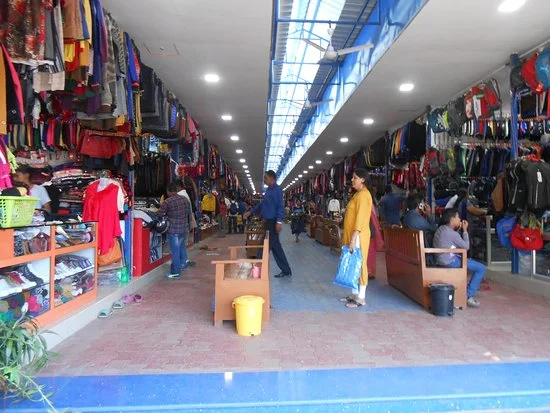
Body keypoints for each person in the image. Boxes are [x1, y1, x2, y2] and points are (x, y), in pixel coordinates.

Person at [433, 209, 486, 308]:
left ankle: (466, 293)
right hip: (450, 261)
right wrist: (465, 231)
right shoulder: (452, 233)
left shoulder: (441, 229)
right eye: (458, 217)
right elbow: (466, 247)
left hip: (441, 259)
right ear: (452, 219)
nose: (460, 219)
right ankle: (467, 295)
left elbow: (453, 240)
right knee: (481, 268)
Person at [244, 170, 292, 278]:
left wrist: (279, 222)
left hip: (273, 223)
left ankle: (257, 270)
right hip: (268, 223)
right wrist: (250, 212)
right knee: (275, 248)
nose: (264, 180)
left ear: (271, 178)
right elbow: (262, 205)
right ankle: (286, 270)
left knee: (263, 247)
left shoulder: (277, 190)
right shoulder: (268, 191)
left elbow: (280, 207)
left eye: (265, 178)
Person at [339, 168, 373, 308]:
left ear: (363, 180)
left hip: (358, 236)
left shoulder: (364, 195)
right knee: (353, 263)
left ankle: (361, 297)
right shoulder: (357, 194)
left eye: (355, 177)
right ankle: (354, 294)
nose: (352, 180)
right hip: (352, 235)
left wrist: (353, 239)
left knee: (359, 263)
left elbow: (360, 219)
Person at [158, 183, 191, 279]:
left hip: (173, 230)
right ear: (176, 190)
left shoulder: (167, 202)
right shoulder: (185, 200)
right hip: (184, 228)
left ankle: (175, 272)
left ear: (169, 191)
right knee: (182, 247)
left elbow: (160, 214)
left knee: (175, 251)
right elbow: (188, 212)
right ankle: (183, 264)